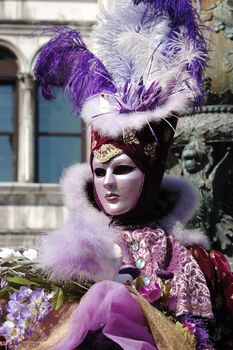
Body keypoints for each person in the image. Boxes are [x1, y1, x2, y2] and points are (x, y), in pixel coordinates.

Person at [3, 0, 233, 349]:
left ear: (150, 176)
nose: (107, 182)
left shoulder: (198, 261)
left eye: (123, 169)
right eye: (99, 171)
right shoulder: (73, 254)